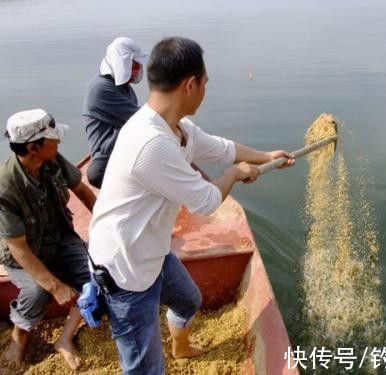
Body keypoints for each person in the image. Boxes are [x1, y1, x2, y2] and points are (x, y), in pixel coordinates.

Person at [88, 37, 295, 374]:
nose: (206, 90)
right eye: (205, 83)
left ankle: (180, 347)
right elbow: (207, 201)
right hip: (125, 270)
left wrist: (267, 156)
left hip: (149, 251)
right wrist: (234, 174)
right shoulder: (151, 143)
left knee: (188, 299)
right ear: (189, 85)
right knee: (144, 368)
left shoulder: (175, 127)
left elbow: (221, 148)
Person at [0, 109, 96, 370]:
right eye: (53, 138)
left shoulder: (52, 160)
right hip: (25, 252)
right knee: (37, 291)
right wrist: (54, 286)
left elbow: (83, 192)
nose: (59, 142)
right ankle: (19, 338)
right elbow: (18, 248)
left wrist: (107, 230)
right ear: (33, 147)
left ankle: (65, 339)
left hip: (60, 238)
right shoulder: (5, 187)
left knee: (96, 275)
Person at [83, 37, 148, 188]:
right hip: (108, 160)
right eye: (134, 65)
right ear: (122, 64)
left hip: (125, 151)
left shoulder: (123, 87)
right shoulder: (101, 88)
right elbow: (141, 120)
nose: (138, 70)